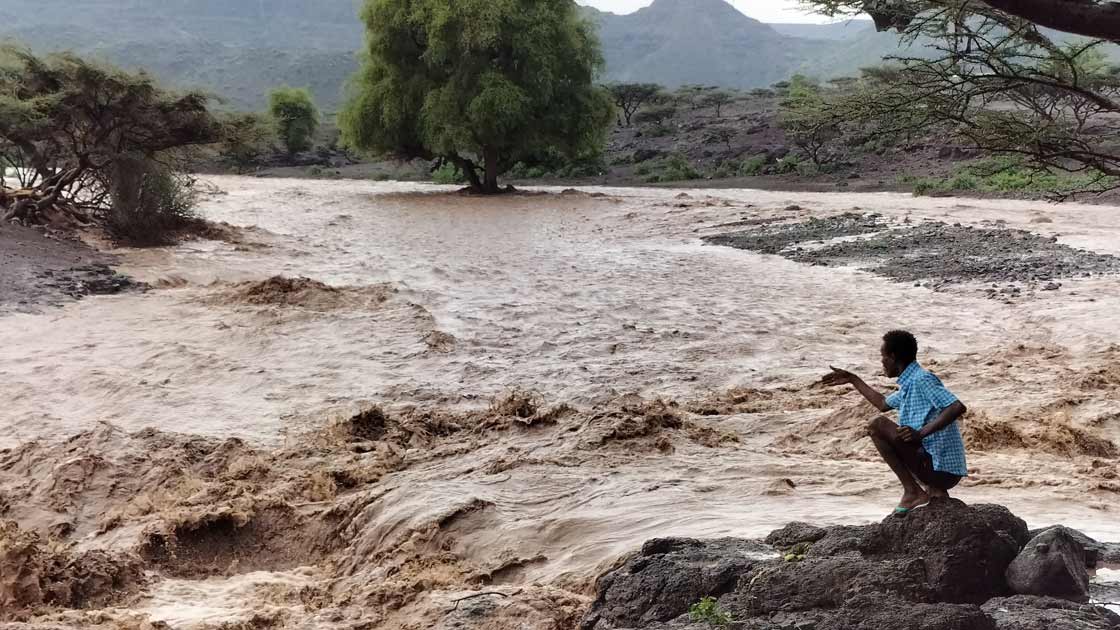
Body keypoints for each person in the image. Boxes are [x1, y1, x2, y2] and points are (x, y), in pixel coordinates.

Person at [821, 330, 968, 514]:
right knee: (884, 423)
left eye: (883, 356)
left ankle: (913, 491)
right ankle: (933, 491)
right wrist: (853, 379)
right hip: (938, 470)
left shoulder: (922, 380)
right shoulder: (909, 384)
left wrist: (920, 433)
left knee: (877, 425)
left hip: (940, 468)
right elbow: (883, 404)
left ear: (892, 357)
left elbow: (956, 407)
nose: (881, 362)